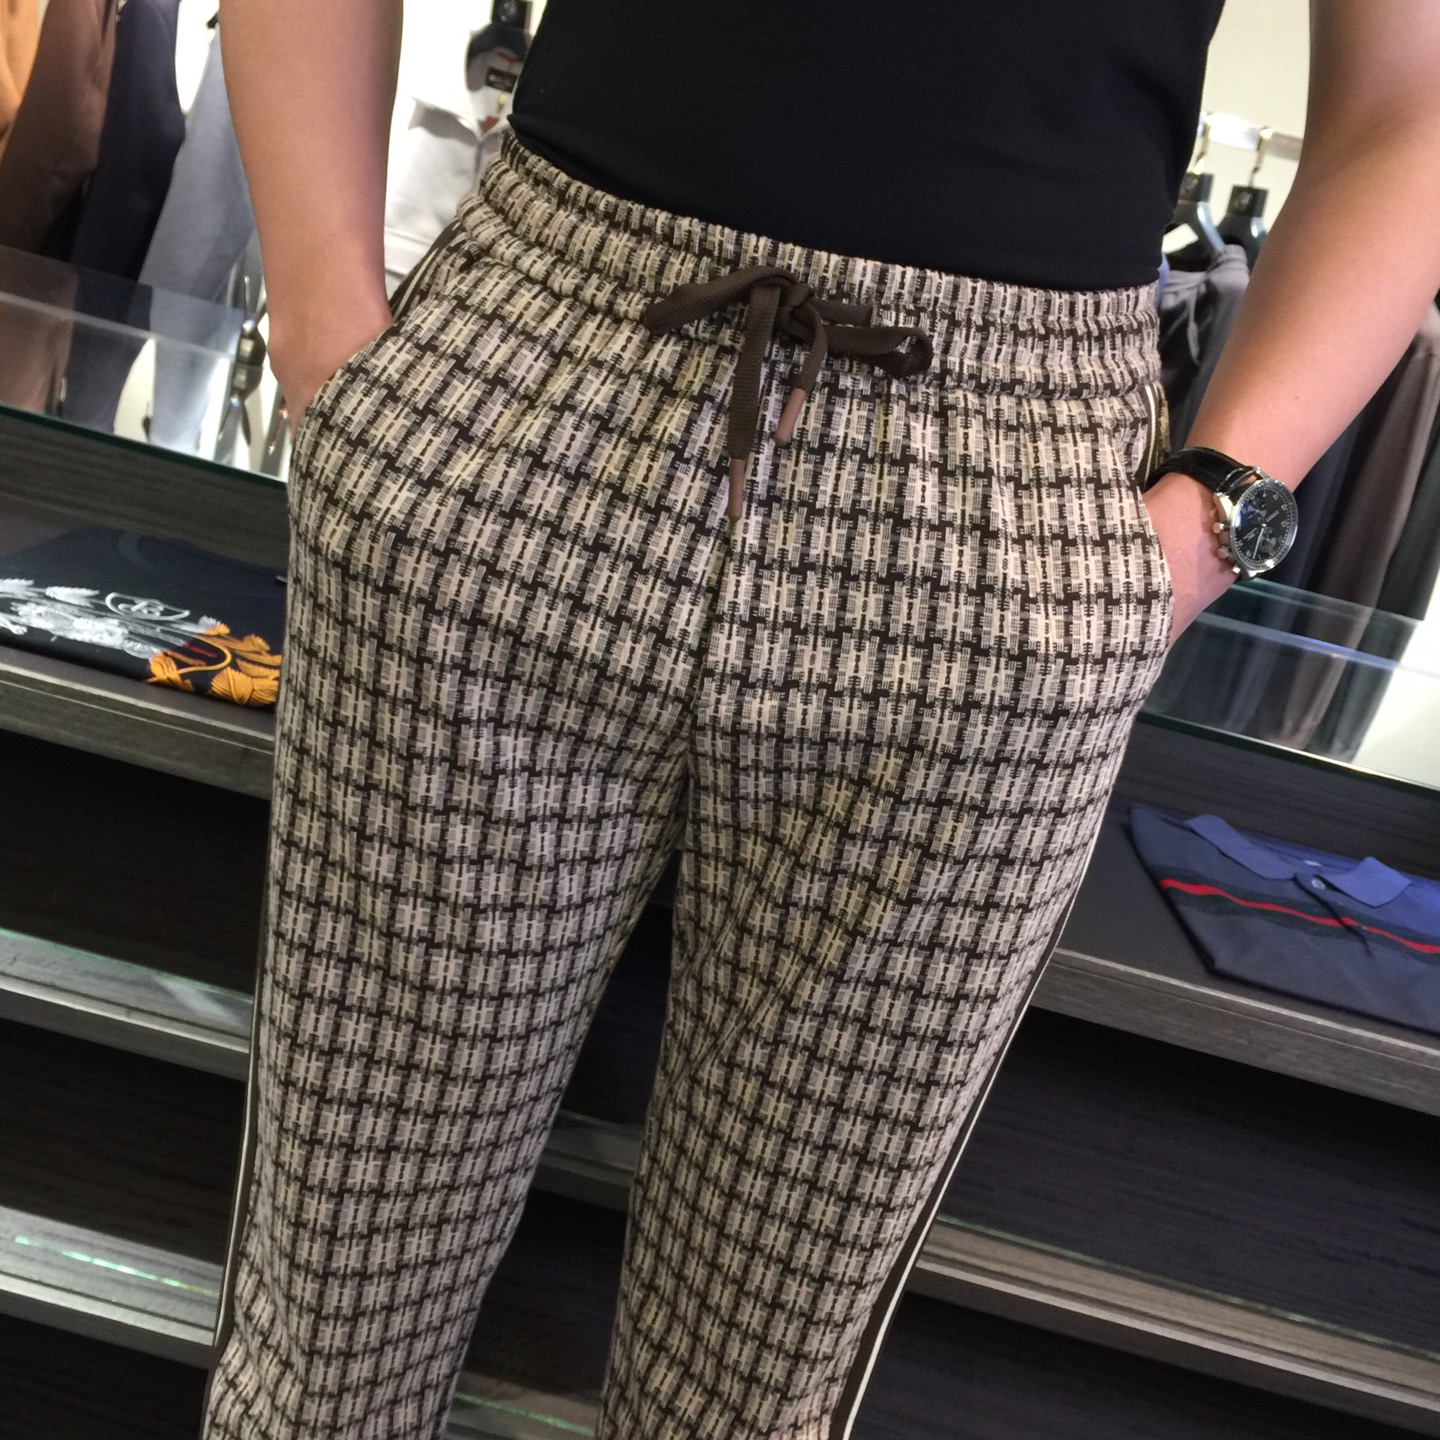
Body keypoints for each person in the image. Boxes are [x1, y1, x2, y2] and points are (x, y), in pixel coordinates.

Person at [200, 3, 1440, 1437]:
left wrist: (1207, 521)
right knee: (324, 1340)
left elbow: (1408, 103)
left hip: (1010, 484)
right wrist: (328, 340)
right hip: (536, 366)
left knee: (751, 1403)